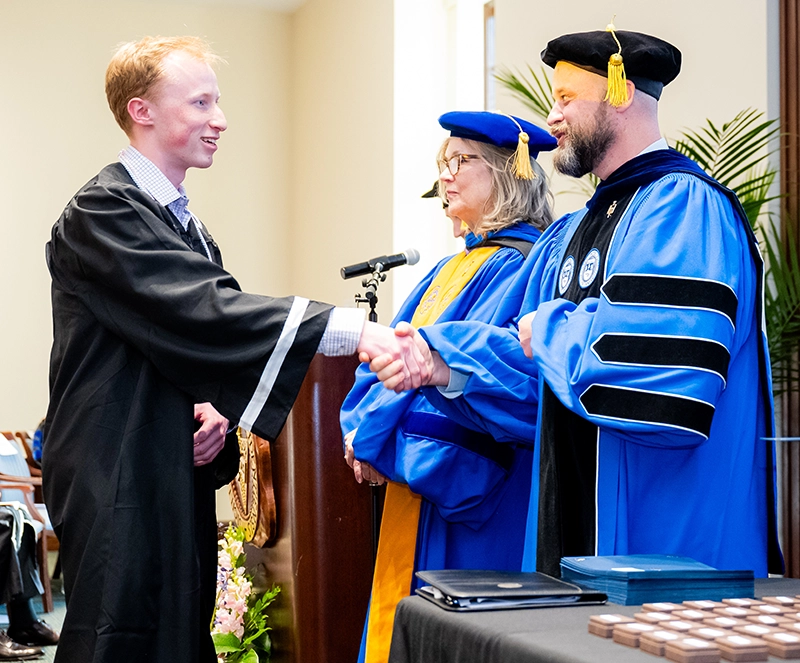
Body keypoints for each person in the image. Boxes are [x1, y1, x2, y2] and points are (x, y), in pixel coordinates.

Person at [43, 36, 427, 663]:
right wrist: (355, 330)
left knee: (177, 634)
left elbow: (189, 346)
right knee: (119, 632)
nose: (219, 119)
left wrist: (213, 409)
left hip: (166, 465)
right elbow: (207, 313)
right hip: (115, 465)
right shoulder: (102, 210)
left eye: (216, 102)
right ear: (142, 111)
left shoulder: (188, 228)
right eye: (200, 102)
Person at [370, 26, 783, 579]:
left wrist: (551, 332)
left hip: (667, 545)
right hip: (567, 547)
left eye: (565, 99)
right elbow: (535, 386)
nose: (551, 119)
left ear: (621, 92)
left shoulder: (685, 208)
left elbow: (664, 384)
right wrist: (446, 362)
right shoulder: (569, 234)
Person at [341, 111, 556, 663]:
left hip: (477, 489)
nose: (447, 176)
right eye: (444, 163)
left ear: (512, 173)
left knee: (456, 636)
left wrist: (376, 436)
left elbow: (515, 378)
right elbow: (389, 358)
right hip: (413, 480)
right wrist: (359, 433)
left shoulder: (531, 267)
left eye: (463, 161)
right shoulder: (446, 270)